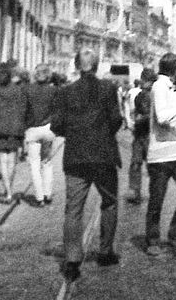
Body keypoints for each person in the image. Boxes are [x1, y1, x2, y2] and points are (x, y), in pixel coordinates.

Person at [52, 48, 124, 282]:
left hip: (75, 156)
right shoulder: (109, 89)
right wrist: (102, 135)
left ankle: (72, 259)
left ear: (75, 65)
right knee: (110, 202)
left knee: (73, 209)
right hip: (103, 156)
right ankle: (105, 252)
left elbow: (57, 125)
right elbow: (116, 119)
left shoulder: (66, 92)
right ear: (97, 65)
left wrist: (74, 135)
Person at [145, 53, 176, 258]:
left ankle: (175, 237)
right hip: (160, 154)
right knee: (157, 200)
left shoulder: (169, 89)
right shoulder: (159, 87)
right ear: (175, 70)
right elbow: (162, 116)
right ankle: (153, 240)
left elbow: (173, 117)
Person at [0, 62, 28, 204]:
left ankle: (8, 193)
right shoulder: (19, 90)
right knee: (12, 161)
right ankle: (9, 191)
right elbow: (23, 109)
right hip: (15, 129)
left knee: (3, 162)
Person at [24, 63, 57, 207]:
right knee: (47, 163)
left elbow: (24, 110)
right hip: (48, 128)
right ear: (48, 75)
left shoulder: (28, 90)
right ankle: (47, 193)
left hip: (32, 129)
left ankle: (39, 197)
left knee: (34, 164)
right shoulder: (54, 90)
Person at [125, 68, 156, 204]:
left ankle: (152, 192)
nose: (143, 82)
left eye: (146, 80)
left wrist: (139, 119)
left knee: (150, 166)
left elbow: (152, 115)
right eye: (143, 79)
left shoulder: (155, 95)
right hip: (140, 135)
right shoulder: (140, 96)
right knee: (136, 164)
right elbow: (138, 112)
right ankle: (135, 191)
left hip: (150, 135)